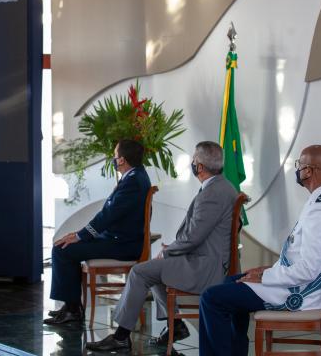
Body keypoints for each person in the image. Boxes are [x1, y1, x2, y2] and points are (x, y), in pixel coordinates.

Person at [198, 145, 321, 356]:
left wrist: (265, 277)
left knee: (211, 298)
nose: (297, 170)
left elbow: (307, 270)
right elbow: (304, 257)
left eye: (299, 164)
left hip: (301, 291)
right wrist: (265, 271)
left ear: (309, 170)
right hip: (300, 282)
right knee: (229, 283)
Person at [86, 141, 238, 352]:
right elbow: (200, 234)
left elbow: (193, 237)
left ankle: (121, 336)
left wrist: (167, 251)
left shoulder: (212, 194)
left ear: (200, 167)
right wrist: (171, 249)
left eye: (194, 160)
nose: (193, 163)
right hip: (206, 259)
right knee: (154, 270)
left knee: (140, 272)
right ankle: (175, 325)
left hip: (204, 268)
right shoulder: (224, 187)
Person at [44, 139, 151, 325]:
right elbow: (108, 215)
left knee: (63, 250)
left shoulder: (132, 182)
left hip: (122, 244)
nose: (113, 159)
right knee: (65, 246)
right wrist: (80, 234)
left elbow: (107, 216)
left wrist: (79, 236)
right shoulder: (137, 176)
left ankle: (72, 309)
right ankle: (71, 306)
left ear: (122, 160)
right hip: (120, 239)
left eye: (115, 156)